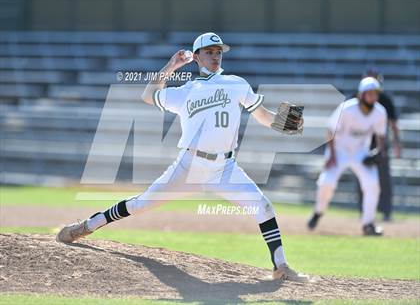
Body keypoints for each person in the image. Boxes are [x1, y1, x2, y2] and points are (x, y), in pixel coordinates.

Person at [56, 32, 309, 282]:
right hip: (189, 165)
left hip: (226, 168)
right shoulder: (186, 90)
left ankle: (281, 267)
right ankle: (87, 226)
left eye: (218, 51)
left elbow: (263, 116)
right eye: (209, 52)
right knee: (140, 204)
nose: (215, 56)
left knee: (263, 208)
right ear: (196, 57)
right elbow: (148, 95)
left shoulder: (237, 84)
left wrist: (284, 123)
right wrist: (172, 65)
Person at [307, 77, 387, 236]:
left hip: (360, 152)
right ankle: (318, 212)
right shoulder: (347, 108)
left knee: (372, 184)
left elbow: (381, 135)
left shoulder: (380, 112)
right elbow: (330, 130)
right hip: (339, 150)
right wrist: (331, 156)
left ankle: (368, 224)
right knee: (326, 183)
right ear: (361, 94)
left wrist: (379, 151)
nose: (372, 96)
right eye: (369, 93)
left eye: (375, 93)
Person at [356, 69, 401, 221]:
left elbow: (393, 124)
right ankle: (364, 211)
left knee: (384, 180)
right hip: (362, 146)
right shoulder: (355, 102)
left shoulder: (384, 101)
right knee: (362, 179)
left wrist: (396, 145)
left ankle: (386, 211)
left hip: (380, 145)